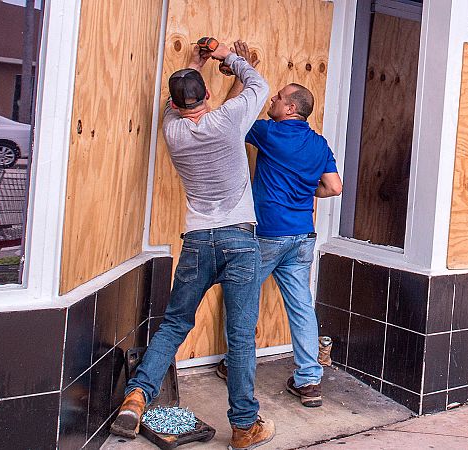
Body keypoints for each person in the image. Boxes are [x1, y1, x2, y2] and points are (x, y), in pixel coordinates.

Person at [109, 40, 275, 450]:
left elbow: (174, 100)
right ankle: (243, 427)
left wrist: (194, 63)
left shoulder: (173, 130)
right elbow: (258, 82)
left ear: (177, 103)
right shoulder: (229, 119)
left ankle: (138, 395)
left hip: (198, 240)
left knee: (174, 324)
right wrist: (226, 57)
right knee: (239, 336)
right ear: (207, 96)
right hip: (239, 239)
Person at [216, 43, 343, 408]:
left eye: (280, 96)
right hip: (303, 236)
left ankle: (233, 364)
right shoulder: (319, 143)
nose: (272, 98)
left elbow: (228, 119)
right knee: (301, 306)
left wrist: (243, 73)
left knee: (241, 296)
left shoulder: (270, 133)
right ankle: (309, 381)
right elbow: (334, 187)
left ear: (290, 108)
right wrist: (304, 190)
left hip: (269, 234)